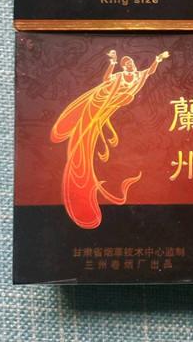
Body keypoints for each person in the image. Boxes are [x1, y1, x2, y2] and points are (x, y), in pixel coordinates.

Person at [50, 49, 169, 229]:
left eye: (131, 62)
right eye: (126, 63)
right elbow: (106, 79)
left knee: (93, 136)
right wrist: (112, 62)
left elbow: (150, 71)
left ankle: (89, 181)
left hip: (113, 103)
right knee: (86, 135)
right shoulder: (119, 76)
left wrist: (158, 59)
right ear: (123, 66)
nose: (129, 65)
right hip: (101, 100)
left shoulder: (138, 75)